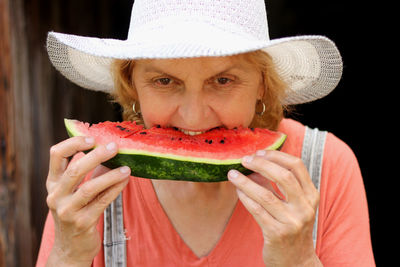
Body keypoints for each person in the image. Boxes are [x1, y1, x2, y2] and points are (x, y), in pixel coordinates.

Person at [36, 0, 375, 266]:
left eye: (223, 80)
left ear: (262, 85)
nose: (194, 116)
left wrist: (300, 262)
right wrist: (68, 256)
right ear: (132, 85)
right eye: (164, 81)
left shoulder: (326, 165)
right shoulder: (88, 180)